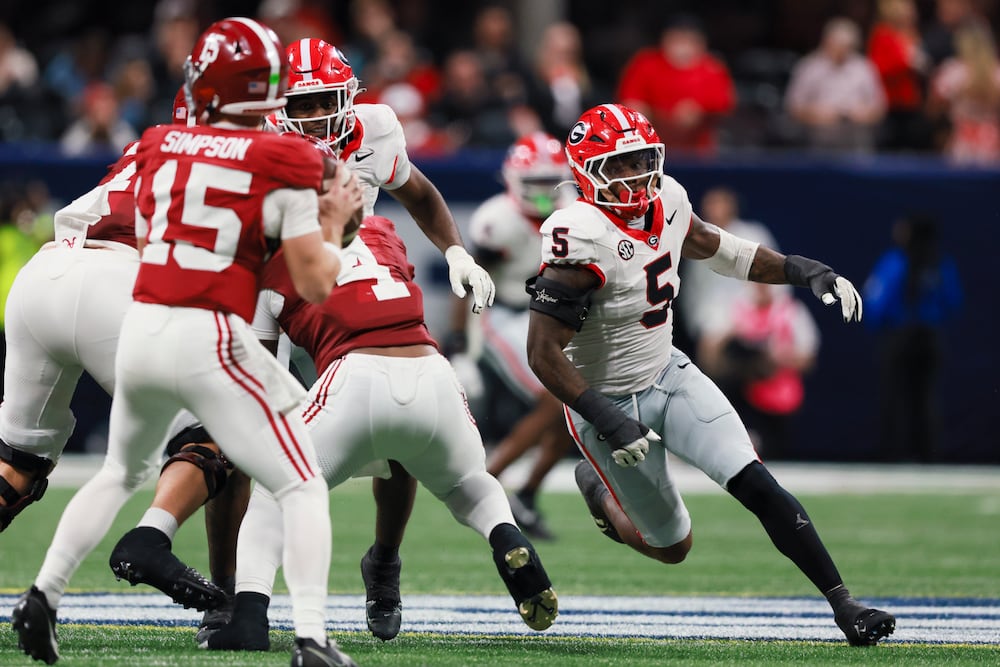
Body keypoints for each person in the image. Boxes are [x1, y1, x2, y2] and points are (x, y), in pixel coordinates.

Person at [11, 17, 363, 667]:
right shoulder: (286, 157)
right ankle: (313, 637)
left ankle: (42, 594)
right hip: (206, 330)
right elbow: (314, 283)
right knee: (302, 481)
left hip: (130, 318)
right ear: (269, 91)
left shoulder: (157, 140)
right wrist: (334, 222)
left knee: (117, 470)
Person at [524, 103, 895, 646]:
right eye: (620, 166)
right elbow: (542, 354)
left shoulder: (669, 199)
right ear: (587, 172)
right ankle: (601, 494)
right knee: (673, 547)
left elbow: (719, 249)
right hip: (603, 403)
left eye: (642, 160)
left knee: (756, 482)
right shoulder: (577, 234)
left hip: (668, 373)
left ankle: (845, 605)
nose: (636, 176)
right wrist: (606, 418)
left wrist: (803, 269)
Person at [206, 214, 557, 652]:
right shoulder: (381, 230)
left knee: (275, 490)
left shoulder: (266, 247)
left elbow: (258, 371)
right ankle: (504, 532)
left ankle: (249, 616)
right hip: (433, 375)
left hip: (355, 376)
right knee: (471, 483)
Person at [0, 89, 191, 536]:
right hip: (113, 282)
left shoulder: (143, 146)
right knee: (207, 439)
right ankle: (152, 543)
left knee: (16, 468)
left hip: (43, 272)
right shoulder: (233, 159)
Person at [445, 132, 576, 540]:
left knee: (572, 413)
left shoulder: (575, 212)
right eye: (532, 184)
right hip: (501, 314)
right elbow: (468, 280)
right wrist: (456, 334)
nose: (540, 194)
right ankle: (486, 482)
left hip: (549, 316)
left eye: (547, 184)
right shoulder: (496, 220)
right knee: (558, 398)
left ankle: (526, 495)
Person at [863, 214, 962, 462]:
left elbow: (876, 300)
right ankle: (928, 453)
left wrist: (878, 326)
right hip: (929, 337)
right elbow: (954, 302)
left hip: (901, 336)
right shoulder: (940, 263)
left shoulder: (894, 261)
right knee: (926, 397)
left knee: (894, 396)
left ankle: (893, 454)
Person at [697, 282, 820, 460]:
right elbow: (709, 353)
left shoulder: (791, 312)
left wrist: (780, 357)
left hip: (775, 397)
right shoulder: (734, 308)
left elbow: (809, 358)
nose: (762, 287)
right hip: (738, 392)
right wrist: (731, 339)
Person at [616, 14, 736, 155]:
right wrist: (646, 117)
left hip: (698, 153)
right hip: (650, 149)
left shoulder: (712, 68)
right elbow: (630, 102)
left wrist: (700, 112)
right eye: (676, 39)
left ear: (701, 44)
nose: (682, 47)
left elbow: (726, 105)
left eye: (689, 40)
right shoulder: (645, 63)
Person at [784, 17, 887, 153]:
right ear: (827, 42)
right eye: (838, 45)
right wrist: (814, 114)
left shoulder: (864, 68)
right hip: (816, 142)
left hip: (856, 143)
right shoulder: (809, 67)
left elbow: (880, 107)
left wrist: (864, 114)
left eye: (847, 47)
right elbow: (792, 107)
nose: (842, 51)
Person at [926, 20, 1000, 164]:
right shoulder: (997, 73)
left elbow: (932, 110)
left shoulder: (953, 72)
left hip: (963, 144)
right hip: (993, 143)